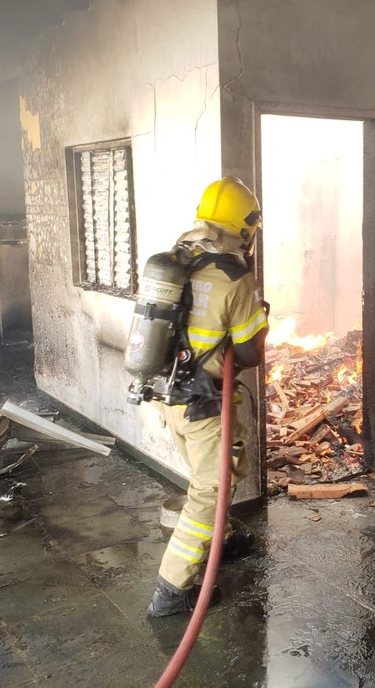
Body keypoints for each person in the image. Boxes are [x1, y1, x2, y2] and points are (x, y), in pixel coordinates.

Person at [147, 176, 269, 619]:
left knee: (207, 478)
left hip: (169, 396)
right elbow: (251, 353)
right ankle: (171, 589)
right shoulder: (234, 276)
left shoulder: (176, 260)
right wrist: (260, 317)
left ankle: (225, 535)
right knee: (210, 489)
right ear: (245, 226)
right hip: (205, 404)